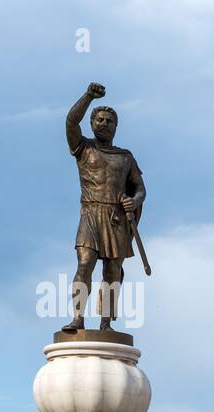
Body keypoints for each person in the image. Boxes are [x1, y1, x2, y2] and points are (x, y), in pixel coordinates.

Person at [64, 82, 146, 333]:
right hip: (90, 213)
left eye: (109, 120)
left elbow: (140, 188)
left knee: (112, 271)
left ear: (116, 126)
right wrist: (88, 96)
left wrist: (135, 200)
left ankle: (106, 323)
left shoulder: (126, 157)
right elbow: (70, 122)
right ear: (91, 124)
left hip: (116, 218)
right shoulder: (83, 148)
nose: (103, 123)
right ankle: (78, 318)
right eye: (98, 119)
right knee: (85, 263)